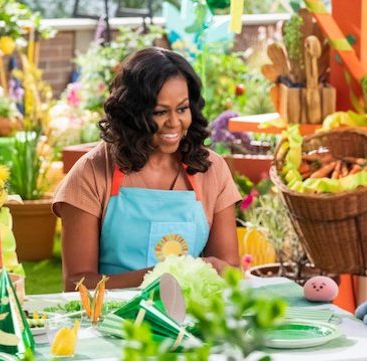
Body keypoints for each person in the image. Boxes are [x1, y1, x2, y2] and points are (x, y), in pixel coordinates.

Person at [53, 47, 242, 290]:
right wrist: (163, 277)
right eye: (160, 112)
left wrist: (219, 270)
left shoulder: (211, 169)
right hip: (114, 321)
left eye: (182, 109)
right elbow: (76, 283)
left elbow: (230, 271)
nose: (174, 123)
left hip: (189, 319)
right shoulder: (92, 173)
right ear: (132, 114)